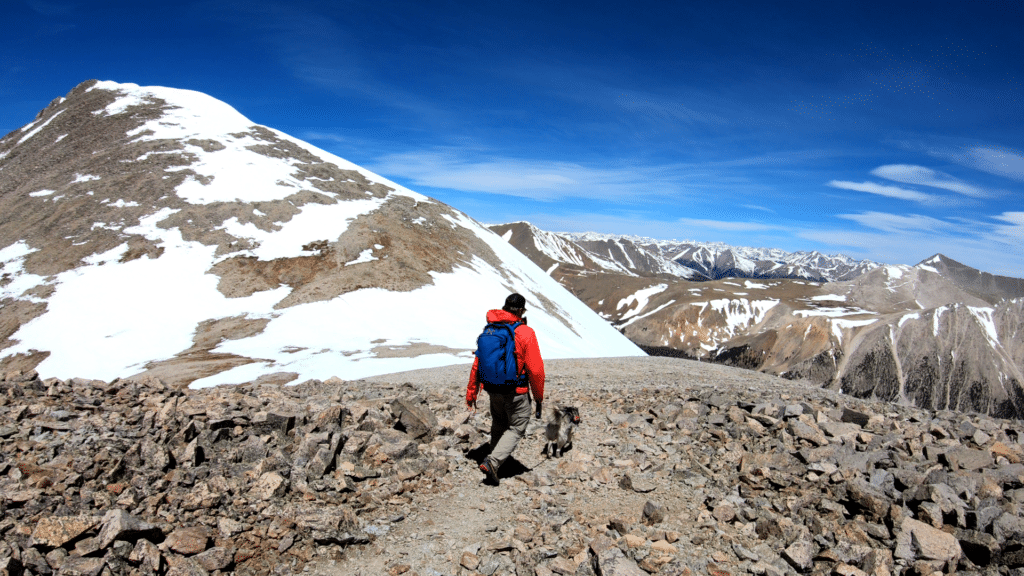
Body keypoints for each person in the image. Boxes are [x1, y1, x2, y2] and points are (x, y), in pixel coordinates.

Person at [466, 293, 545, 485]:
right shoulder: (525, 332)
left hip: (493, 389)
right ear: (520, 311)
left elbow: (478, 363)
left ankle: (495, 459)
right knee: (517, 427)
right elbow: (535, 370)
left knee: (499, 423)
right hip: (515, 391)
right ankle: (493, 462)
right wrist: (538, 398)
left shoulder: (490, 330)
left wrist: (472, 392)